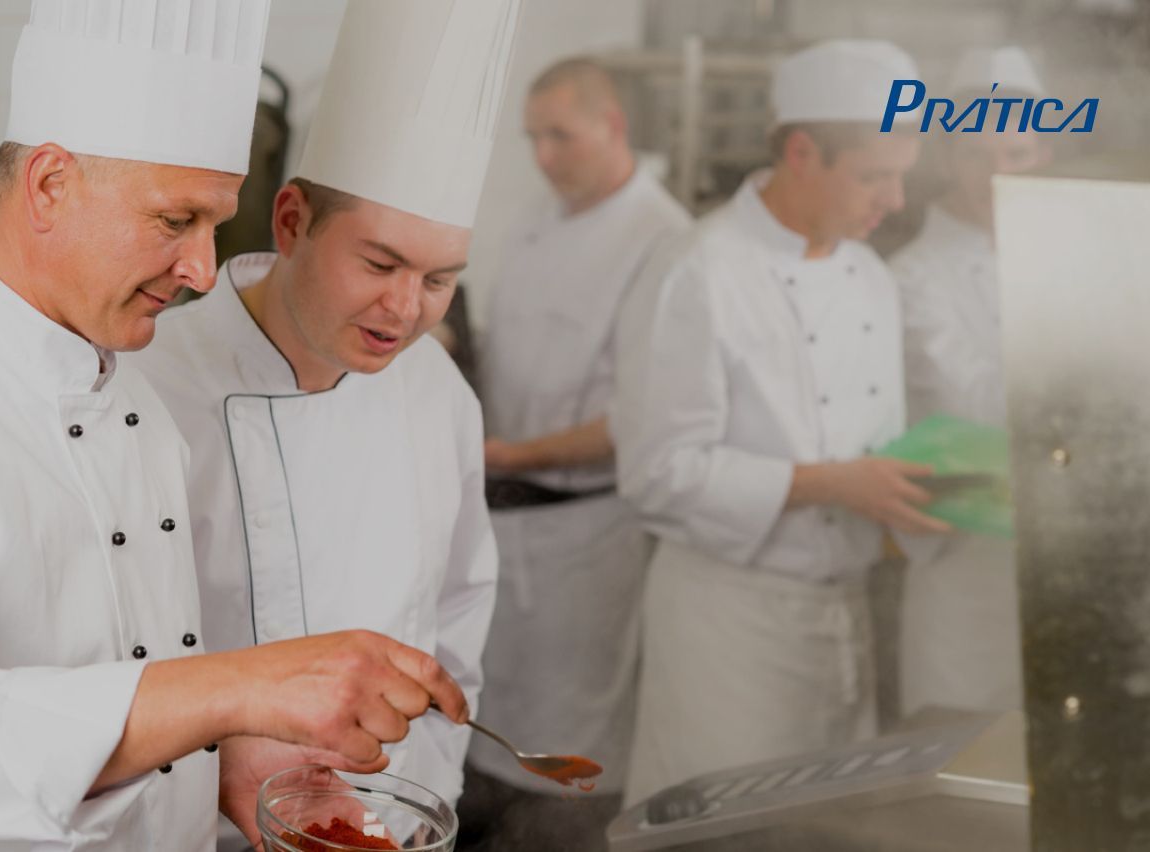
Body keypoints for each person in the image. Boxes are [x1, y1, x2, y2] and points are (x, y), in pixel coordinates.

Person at [0, 3, 470, 849]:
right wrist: (233, 688)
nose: (200, 269)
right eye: (174, 220)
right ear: (49, 184)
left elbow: (112, 688)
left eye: (216, 226)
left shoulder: (132, 398)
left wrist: (217, 759)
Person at [127, 2, 522, 848]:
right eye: (380, 264)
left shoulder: (436, 392)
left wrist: (420, 811)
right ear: (292, 220)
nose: (404, 310)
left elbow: (456, 623)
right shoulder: (146, 385)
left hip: (383, 823)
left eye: (439, 279)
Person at [612, 39, 949, 805]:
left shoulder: (871, 276)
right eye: (876, 177)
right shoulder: (697, 270)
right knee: (722, 826)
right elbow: (655, 474)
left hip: (846, 617)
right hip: (731, 625)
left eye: (903, 176)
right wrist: (833, 483)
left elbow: (873, 450)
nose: (896, 202)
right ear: (802, 151)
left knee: (828, 829)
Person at [459, 57, 691, 850]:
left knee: (575, 744)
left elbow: (638, 418)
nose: (544, 155)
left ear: (614, 125)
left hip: (587, 535)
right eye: (533, 137)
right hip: (508, 515)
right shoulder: (539, 215)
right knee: (494, 715)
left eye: (561, 135)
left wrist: (506, 451)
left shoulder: (661, 240)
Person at [890, 47, 1051, 717]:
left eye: (1016, 156)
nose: (997, 175)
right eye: (979, 155)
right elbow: (975, 407)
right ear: (948, 156)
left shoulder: (1079, 258)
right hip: (963, 570)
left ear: (1043, 155)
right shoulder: (910, 277)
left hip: (1071, 563)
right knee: (958, 765)